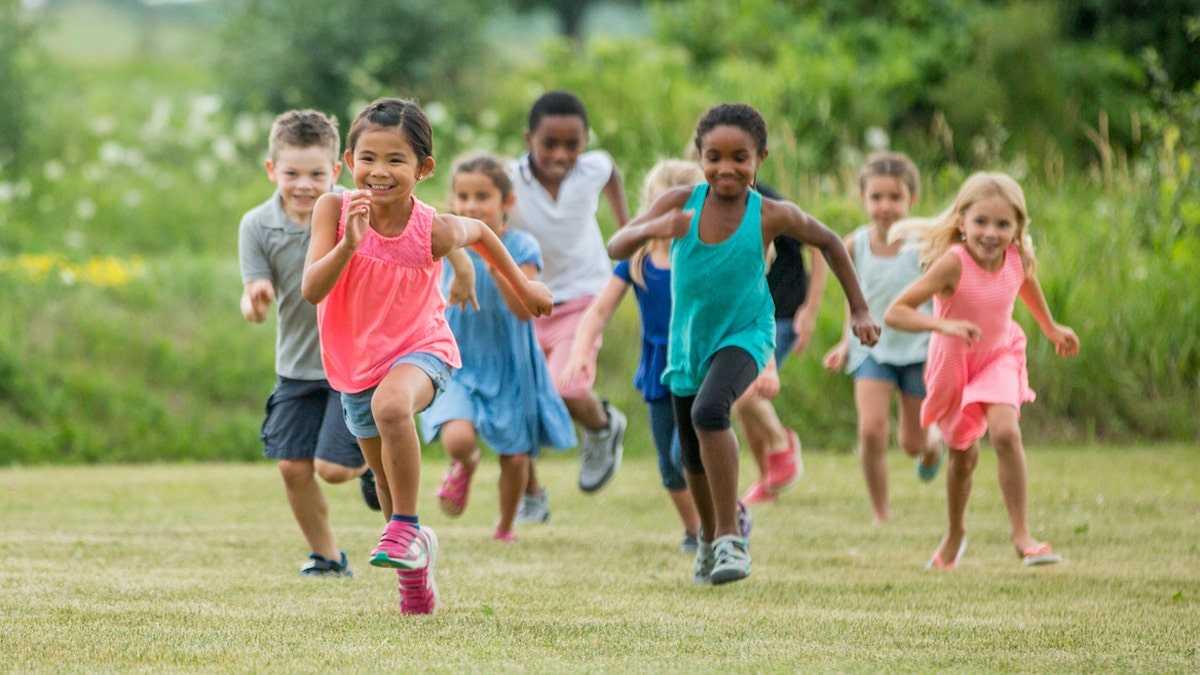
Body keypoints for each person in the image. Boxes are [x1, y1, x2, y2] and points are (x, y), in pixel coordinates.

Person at [608, 103, 880, 585]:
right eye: (714, 156)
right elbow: (617, 246)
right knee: (689, 452)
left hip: (748, 333)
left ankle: (732, 537)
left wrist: (859, 309)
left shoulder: (771, 214)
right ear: (700, 156)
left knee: (709, 412)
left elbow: (832, 242)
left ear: (761, 158)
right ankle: (709, 542)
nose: (726, 168)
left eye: (740, 157)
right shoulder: (679, 202)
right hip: (688, 342)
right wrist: (655, 228)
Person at [302, 98, 553, 614]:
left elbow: (481, 233)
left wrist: (525, 291)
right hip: (354, 363)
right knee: (387, 487)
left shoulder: (431, 228)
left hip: (423, 349)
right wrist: (348, 245)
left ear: (423, 168)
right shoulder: (334, 210)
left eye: (396, 159)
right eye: (368, 157)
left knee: (391, 408)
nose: (380, 171)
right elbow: (311, 289)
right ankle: (414, 567)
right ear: (350, 160)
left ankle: (410, 526)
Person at [883, 171, 1079, 569]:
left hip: (999, 355)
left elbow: (1026, 287)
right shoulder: (952, 265)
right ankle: (955, 533)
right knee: (963, 459)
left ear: (1018, 227)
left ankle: (1022, 535)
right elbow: (895, 312)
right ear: (962, 223)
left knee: (1007, 433)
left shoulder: (1018, 259)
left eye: (1003, 224)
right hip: (955, 366)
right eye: (981, 222)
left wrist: (1051, 327)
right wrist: (943, 325)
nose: (991, 233)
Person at [237, 109, 378, 579]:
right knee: (293, 468)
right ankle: (328, 558)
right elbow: (254, 302)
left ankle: (373, 464)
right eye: (291, 173)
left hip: (353, 362)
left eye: (316, 173)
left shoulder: (357, 211)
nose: (303, 185)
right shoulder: (257, 226)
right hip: (296, 366)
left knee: (333, 469)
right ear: (272, 169)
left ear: (336, 170)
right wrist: (256, 301)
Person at [418, 153, 577, 542]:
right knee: (458, 439)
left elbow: (524, 313)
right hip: (456, 359)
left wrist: (495, 264)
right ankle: (466, 463)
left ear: (507, 202)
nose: (471, 206)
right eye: (463, 197)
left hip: (510, 362)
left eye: (482, 197)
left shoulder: (521, 246)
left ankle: (505, 526)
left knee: (516, 454)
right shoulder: (446, 242)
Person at [560, 159, 704, 553]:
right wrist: (580, 351)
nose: (674, 217)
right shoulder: (637, 259)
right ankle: (695, 531)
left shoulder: (702, 254)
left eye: (685, 206)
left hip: (700, 365)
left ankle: (723, 517)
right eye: (664, 206)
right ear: (649, 208)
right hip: (659, 369)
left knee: (687, 450)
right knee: (669, 464)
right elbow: (599, 310)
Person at [509, 90, 632, 521]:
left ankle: (600, 427)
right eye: (550, 144)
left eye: (572, 145)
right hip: (529, 297)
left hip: (585, 292)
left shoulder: (592, 167)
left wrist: (625, 229)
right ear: (529, 139)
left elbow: (610, 170)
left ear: (585, 141)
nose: (561, 154)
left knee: (565, 385)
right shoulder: (509, 180)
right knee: (520, 396)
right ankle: (531, 496)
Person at [821, 152, 945, 524]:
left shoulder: (924, 246)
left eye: (895, 197)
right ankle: (881, 512)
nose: (886, 206)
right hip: (871, 349)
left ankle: (932, 446)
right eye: (877, 197)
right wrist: (846, 343)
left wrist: (946, 338)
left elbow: (943, 295)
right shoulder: (854, 245)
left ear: (913, 199)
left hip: (918, 349)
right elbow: (856, 300)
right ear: (863, 199)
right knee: (871, 431)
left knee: (911, 443)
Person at [734, 181, 828, 506]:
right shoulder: (706, 205)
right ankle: (768, 481)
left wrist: (811, 310)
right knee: (744, 403)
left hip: (782, 313)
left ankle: (780, 442)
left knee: (744, 392)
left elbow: (818, 246)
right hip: (741, 315)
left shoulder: (766, 201)